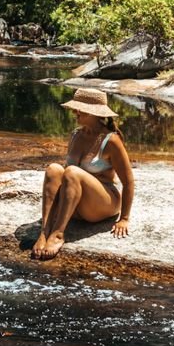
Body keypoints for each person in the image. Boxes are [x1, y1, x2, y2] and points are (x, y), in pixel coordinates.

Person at [32, 88, 135, 260]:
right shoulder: (75, 135)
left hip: (103, 203)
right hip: (78, 205)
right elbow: (63, 180)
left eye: (79, 109)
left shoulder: (111, 140)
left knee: (71, 172)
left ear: (94, 113)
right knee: (53, 169)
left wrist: (124, 218)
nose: (74, 112)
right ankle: (45, 231)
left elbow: (129, 182)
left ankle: (58, 234)